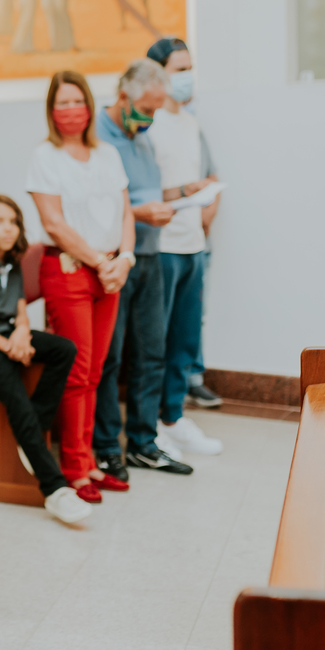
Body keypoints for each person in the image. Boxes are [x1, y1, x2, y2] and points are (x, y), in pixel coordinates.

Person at [26, 71, 134, 504]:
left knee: (97, 371)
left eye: (77, 101)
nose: (70, 110)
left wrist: (123, 259)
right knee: (76, 371)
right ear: (52, 111)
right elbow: (53, 222)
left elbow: (127, 212)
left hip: (111, 270)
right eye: (61, 103)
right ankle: (73, 466)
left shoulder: (108, 153)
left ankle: (89, 461)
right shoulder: (45, 156)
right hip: (70, 270)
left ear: (90, 106)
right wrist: (100, 262)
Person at [0, 195, 88, 523]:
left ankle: (35, 429)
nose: (8, 229)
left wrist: (22, 335)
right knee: (17, 401)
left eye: (13, 221)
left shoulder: (11, 263)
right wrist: (7, 345)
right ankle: (55, 490)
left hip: (6, 336)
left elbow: (21, 310)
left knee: (64, 349)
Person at [93, 59, 196, 480]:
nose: (152, 118)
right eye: (147, 109)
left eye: (157, 109)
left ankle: (142, 442)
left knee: (152, 352)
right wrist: (140, 212)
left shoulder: (142, 135)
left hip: (151, 255)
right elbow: (97, 204)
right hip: (117, 259)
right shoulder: (98, 136)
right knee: (111, 357)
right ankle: (105, 447)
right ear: (123, 98)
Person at [144, 37, 224, 456]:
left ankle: (174, 417)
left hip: (194, 242)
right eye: (180, 69)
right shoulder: (149, 124)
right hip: (162, 246)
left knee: (186, 339)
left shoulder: (191, 124)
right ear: (157, 74)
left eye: (190, 67)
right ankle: (149, 425)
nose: (187, 77)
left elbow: (204, 176)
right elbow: (142, 189)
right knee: (156, 341)